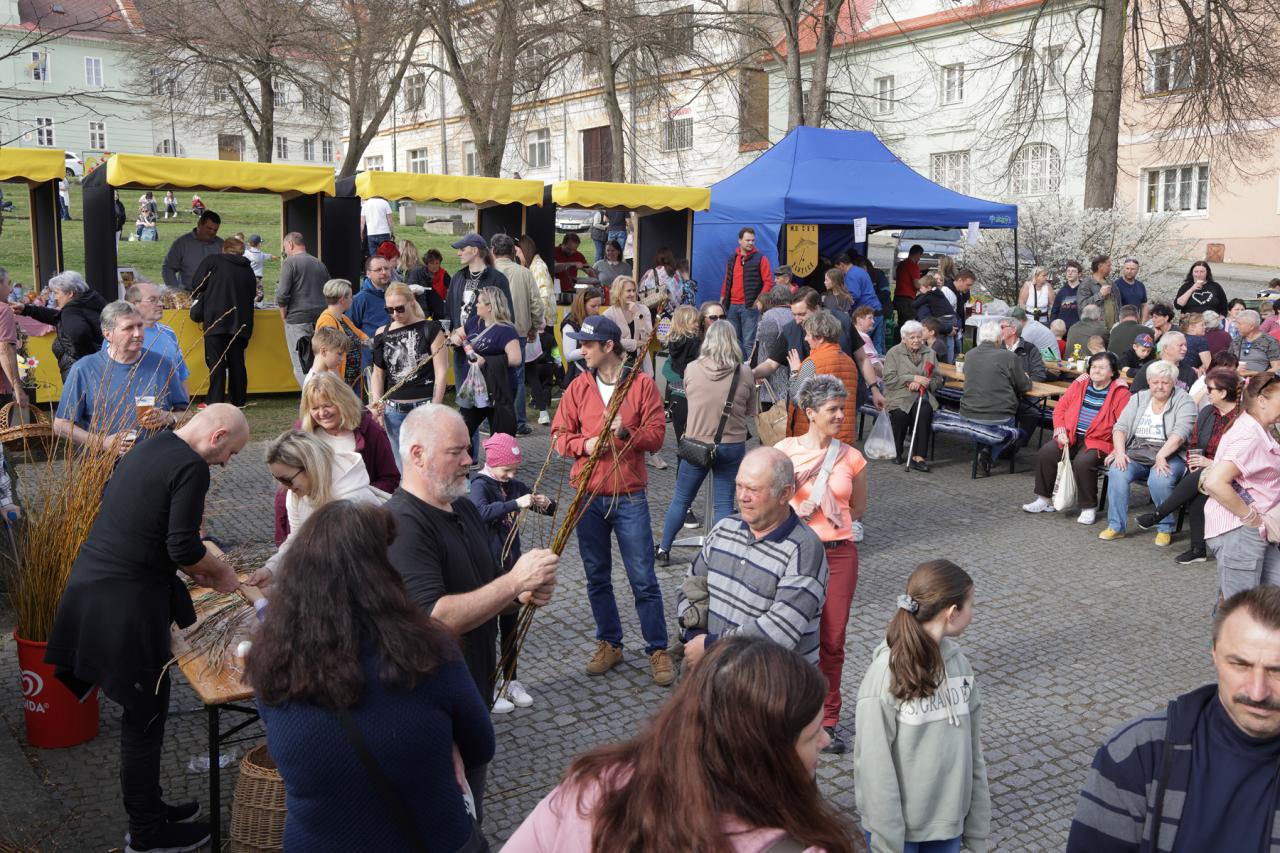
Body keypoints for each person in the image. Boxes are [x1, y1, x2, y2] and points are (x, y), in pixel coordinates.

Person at [45, 405, 249, 853]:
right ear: (217, 436)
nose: (226, 463)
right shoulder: (191, 467)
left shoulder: (149, 446)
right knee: (145, 714)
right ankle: (147, 832)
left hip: (95, 587)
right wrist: (223, 575)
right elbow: (183, 547)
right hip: (125, 603)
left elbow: (133, 514)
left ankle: (151, 808)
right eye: (230, 453)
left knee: (145, 711)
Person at [246, 501, 493, 853]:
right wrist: (442, 741)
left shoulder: (270, 660)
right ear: (383, 571)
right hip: (431, 837)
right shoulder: (429, 649)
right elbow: (480, 744)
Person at [506, 636, 858, 852]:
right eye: (813, 734)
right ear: (763, 753)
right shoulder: (794, 846)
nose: (826, 740)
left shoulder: (591, 788)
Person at [385, 404, 557, 821]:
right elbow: (435, 617)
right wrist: (514, 582)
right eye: (457, 451)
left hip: (472, 693)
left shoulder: (462, 508)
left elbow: (487, 584)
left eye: (468, 449)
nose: (470, 460)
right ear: (417, 455)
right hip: (430, 709)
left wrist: (522, 595)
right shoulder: (401, 524)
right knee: (449, 825)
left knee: (471, 813)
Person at [1067, 585, 1280, 852]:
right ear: (1214, 653)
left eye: (1277, 671)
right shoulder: (1137, 752)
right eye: (1240, 665)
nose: (1258, 692)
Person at [552, 315, 674, 686]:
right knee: (596, 576)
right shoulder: (578, 386)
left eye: (587, 344)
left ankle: (657, 648)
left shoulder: (641, 384)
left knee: (643, 578)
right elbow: (558, 436)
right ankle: (610, 642)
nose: (581, 350)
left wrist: (626, 432)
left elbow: (656, 437)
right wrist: (584, 444)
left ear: (609, 346)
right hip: (587, 496)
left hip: (629, 497)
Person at [854, 559, 989, 853]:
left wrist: (977, 829)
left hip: (947, 830)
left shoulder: (960, 666)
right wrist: (887, 842)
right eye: (972, 605)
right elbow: (874, 766)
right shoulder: (884, 674)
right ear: (952, 612)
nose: (973, 613)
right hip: (897, 835)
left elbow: (973, 752)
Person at [776, 375, 867, 753]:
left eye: (842, 409)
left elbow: (857, 508)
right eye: (833, 410)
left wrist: (831, 515)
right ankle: (787, 713)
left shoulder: (852, 457)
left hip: (839, 554)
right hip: (795, 554)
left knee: (832, 640)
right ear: (810, 412)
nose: (841, 416)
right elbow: (769, 504)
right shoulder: (784, 451)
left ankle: (827, 719)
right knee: (789, 636)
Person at [675, 446, 827, 663]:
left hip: (770, 680)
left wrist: (710, 647)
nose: (742, 497)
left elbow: (781, 630)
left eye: (753, 489)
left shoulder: (804, 549)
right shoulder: (724, 528)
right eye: (739, 486)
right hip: (713, 673)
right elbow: (690, 586)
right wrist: (695, 635)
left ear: (784, 493)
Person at [468, 432, 556, 713]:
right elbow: (480, 512)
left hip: (512, 567)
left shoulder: (513, 484)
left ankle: (511, 680)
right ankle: (490, 684)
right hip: (488, 570)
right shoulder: (480, 484)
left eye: (515, 470)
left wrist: (545, 503)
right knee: (488, 631)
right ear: (492, 463)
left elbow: (544, 507)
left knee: (510, 628)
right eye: (507, 470)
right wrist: (516, 504)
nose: (511, 475)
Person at [655, 320, 756, 562]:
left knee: (682, 499)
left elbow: (691, 396)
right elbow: (751, 411)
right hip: (731, 445)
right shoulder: (744, 372)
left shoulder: (692, 369)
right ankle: (719, 555)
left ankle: (664, 548)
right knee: (724, 503)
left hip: (696, 444)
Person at [1127, 367, 1242, 565]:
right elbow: (1194, 442)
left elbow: (1241, 456)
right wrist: (1193, 461)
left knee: (1201, 482)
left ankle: (1159, 515)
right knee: (1197, 495)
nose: (1207, 393)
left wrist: (1210, 463)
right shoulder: (1208, 412)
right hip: (1204, 471)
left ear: (1223, 393)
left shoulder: (1242, 419)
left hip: (1232, 472)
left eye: (1210, 389)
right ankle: (1197, 550)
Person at [272, 372, 399, 544]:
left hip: (356, 526)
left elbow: (390, 478)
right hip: (312, 530)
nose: (322, 413)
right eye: (315, 408)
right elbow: (286, 490)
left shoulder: (371, 432)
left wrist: (357, 495)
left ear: (343, 402)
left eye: (328, 405)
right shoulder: (301, 435)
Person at [54, 301, 189, 452]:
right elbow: (61, 425)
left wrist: (169, 417)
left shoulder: (162, 365)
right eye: (128, 328)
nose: (138, 334)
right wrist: (103, 443)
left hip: (155, 458)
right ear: (108, 334)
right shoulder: (84, 369)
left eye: (140, 326)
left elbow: (187, 414)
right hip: (103, 461)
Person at [256, 428, 387, 582]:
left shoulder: (354, 502)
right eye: (278, 479)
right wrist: (271, 569)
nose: (285, 487)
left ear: (310, 467)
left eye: (287, 479)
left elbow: (347, 563)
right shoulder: (298, 493)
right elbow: (297, 539)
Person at [1023, 352, 1131, 524]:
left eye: (1102, 367)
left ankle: (1088, 507)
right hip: (1071, 435)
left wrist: (1117, 450)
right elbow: (1060, 408)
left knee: (1083, 462)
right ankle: (1044, 499)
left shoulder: (1120, 392)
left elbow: (1124, 424)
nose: (1096, 370)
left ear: (1112, 372)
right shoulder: (1080, 383)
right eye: (1093, 367)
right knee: (1047, 452)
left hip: (1100, 441)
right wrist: (1060, 431)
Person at [1099, 360, 1197, 543]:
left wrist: (1161, 455)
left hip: (1171, 452)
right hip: (1138, 450)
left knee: (1159, 478)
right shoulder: (1139, 398)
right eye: (1155, 382)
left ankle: (1165, 527)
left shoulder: (1184, 400)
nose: (1159, 386)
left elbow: (1181, 433)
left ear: (1174, 382)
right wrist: (1119, 452)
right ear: (1149, 381)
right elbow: (1120, 427)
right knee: (1117, 471)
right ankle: (1116, 526)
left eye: (1165, 382)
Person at [1202, 371, 1280, 596]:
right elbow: (1215, 482)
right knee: (1242, 603)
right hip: (1239, 530)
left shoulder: (1257, 428)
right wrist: (1251, 519)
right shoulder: (1249, 435)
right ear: (1262, 401)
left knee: (1262, 598)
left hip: (1251, 530)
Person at [369, 283, 448, 470]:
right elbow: (378, 373)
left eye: (399, 308)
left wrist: (435, 406)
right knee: (401, 466)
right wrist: (376, 404)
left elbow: (442, 370)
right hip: (393, 409)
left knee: (428, 464)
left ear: (412, 302)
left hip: (424, 405)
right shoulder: (382, 333)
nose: (395, 314)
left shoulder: (430, 328)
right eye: (389, 310)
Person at [192, 235, 257, 406]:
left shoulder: (213, 261)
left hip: (216, 318)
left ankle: (215, 400)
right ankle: (239, 399)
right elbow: (253, 293)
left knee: (216, 362)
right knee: (237, 361)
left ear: (224, 248)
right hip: (241, 321)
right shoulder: (247, 268)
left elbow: (196, 284)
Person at [446, 233, 512, 398]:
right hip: (461, 349)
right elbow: (449, 310)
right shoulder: (457, 277)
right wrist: (450, 333)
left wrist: (471, 331)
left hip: (486, 350)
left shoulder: (497, 279)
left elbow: (505, 316)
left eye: (462, 249)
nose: (458, 253)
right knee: (464, 399)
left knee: (486, 399)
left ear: (475, 250)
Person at [960, 320, 1032, 470]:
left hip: (968, 412)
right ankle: (989, 455)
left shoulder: (970, 354)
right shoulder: (1008, 357)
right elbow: (1024, 386)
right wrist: (1025, 377)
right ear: (999, 339)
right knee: (1011, 422)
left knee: (986, 418)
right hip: (999, 414)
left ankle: (984, 452)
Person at [492, 234, 544, 436]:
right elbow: (536, 304)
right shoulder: (524, 273)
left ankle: (492, 422)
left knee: (492, 375)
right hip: (519, 331)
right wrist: (534, 327)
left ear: (493, 251)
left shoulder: (489, 272)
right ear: (513, 251)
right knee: (518, 377)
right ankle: (519, 423)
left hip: (492, 331)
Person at [786, 310, 861, 446]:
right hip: (843, 435)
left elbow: (796, 399)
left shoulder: (811, 363)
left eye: (808, 334)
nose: (805, 338)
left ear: (820, 337)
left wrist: (795, 371)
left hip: (817, 437)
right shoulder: (850, 362)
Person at [16, 270, 106, 378]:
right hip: (99, 368)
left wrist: (86, 360)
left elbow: (78, 332)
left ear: (70, 293)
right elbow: (58, 317)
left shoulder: (71, 311)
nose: (55, 297)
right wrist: (27, 309)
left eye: (57, 293)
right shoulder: (90, 300)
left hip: (81, 374)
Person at [882, 320, 943, 471]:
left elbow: (938, 380)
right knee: (900, 416)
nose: (916, 340)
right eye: (912, 337)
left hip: (922, 396)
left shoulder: (930, 353)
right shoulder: (894, 353)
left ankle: (918, 457)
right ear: (904, 338)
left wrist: (925, 383)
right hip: (899, 395)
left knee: (924, 413)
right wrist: (912, 379)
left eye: (919, 337)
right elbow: (889, 379)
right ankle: (896, 450)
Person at [276, 232, 331, 386]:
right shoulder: (319, 263)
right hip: (321, 318)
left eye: (285, 247)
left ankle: (311, 396)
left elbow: (282, 294)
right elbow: (329, 289)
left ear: (290, 244)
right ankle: (321, 394)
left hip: (298, 319)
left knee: (301, 364)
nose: (285, 251)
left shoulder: (290, 262)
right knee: (320, 361)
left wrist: (283, 315)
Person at [720, 227, 774, 359]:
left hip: (749, 307)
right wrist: (722, 298)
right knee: (732, 342)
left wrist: (759, 300)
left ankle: (751, 370)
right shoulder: (732, 258)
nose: (750, 243)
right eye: (747, 240)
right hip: (731, 305)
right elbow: (727, 279)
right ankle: (734, 367)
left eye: (753, 240)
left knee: (749, 343)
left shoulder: (761, 258)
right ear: (740, 240)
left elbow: (768, 282)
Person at [313, 278, 369, 397]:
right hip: (340, 382)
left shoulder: (342, 318)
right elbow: (330, 355)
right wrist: (340, 386)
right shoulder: (327, 320)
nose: (352, 299)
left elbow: (361, 336)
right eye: (350, 296)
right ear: (342, 299)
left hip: (351, 379)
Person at [661, 305, 703, 459]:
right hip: (691, 385)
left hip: (675, 389)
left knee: (681, 438)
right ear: (684, 323)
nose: (697, 324)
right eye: (694, 322)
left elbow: (670, 366)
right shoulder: (695, 341)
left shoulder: (674, 340)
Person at [602, 274, 655, 378]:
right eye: (628, 291)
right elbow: (611, 343)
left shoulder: (643, 309)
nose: (632, 294)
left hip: (641, 363)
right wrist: (635, 343)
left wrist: (637, 314)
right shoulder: (609, 314)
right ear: (619, 292)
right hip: (618, 365)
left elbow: (648, 337)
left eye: (634, 290)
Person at [162, 210, 223, 291]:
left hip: (214, 293)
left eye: (215, 230)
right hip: (188, 293)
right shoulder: (182, 243)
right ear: (199, 224)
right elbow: (168, 268)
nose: (211, 232)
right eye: (209, 228)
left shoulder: (221, 245)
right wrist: (176, 291)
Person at [561, 285, 603, 384]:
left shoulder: (595, 320)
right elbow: (569, 355)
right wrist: (594, 348)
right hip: (577, 377)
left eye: (599, 306)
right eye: (593, 306)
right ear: (582, 305)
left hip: (594, 373)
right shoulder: (569, 325)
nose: (597, 310)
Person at [1130, 331, 1197, 393]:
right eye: (1180, 345)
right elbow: (1135, 394)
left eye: (1185, 345)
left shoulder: (1190, 372)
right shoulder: (1151, 367)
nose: (1185, 349)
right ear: (1165, 348)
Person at [640, 246, 694, 313]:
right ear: (671, 259)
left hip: (653, 310)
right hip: (672, 312)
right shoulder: (676, 275)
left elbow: (641, 290)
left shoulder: (650, 272)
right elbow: (682, 293)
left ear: (657, 259)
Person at [1077, 254, 1121, 329]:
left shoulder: (1112, 284)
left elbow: (1119, 305)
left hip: (1114, 329)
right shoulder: (1086, 284)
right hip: (1096, 330)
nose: (1110, 268)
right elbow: (1082, 307)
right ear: (1100, 267)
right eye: (1108, 265)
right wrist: (1101, 295)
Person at [1230, 309, 1280, 374]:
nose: (1236, 327)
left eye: (1239, 324)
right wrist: (1234, 369)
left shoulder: (1270, 342)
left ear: (1251, 326)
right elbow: (1227, 363)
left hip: (1260, 379)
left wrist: (1254, 374)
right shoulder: (1236, 341)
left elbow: (1277, 368)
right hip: (1236, 378)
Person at [893, 244, 924, 329]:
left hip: (898, 297)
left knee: (901, 323)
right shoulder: (913, 266)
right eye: (920, 256)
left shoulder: (901, 264)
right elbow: (916, 284)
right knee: (910, 324)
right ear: (918, 254)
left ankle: (899, 336)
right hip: (907, 299)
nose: (919, 259)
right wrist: (924, 287)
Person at [1050, 260, 1083, 329]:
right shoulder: (1062, 291)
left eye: (1073, 271)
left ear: (1079, 274)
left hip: (1079, 329)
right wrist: (1052, 325)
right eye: (1068, 271)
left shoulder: (1084, 290)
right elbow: (1055, 311)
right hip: (1062, 330)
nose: (1070, 273)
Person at [1114, 257, 1148, 321]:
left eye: (1132, 269)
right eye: (1127, 268)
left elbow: (1144, 305)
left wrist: (1143, 323)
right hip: (1121, 323)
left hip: (1136, 322)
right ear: (1123, 269)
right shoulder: (1116, 285)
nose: (1129, 271)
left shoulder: (1140, 285)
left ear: (1137, 270)